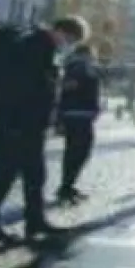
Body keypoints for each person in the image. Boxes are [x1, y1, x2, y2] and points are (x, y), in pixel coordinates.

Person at [0, 16, 87, 244]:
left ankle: (35, 222)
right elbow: (16, 87)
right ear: (60, 31)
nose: (70, 45)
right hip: (17, 124)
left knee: (35, 175)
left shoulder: (45, 49)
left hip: (30, 126)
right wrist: (14, 124)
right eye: (71, 40)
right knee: (5, 173)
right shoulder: (32, 47)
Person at [56, 42, 102, 204]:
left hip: (77, 115)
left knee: (74, 152)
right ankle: (66, 188)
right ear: (86, 54)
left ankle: (67, 186)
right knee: (79, 152)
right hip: (78, 116)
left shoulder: (79, 67)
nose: (94, 57)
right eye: (92, 54)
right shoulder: (79, 67)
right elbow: (67, 88)